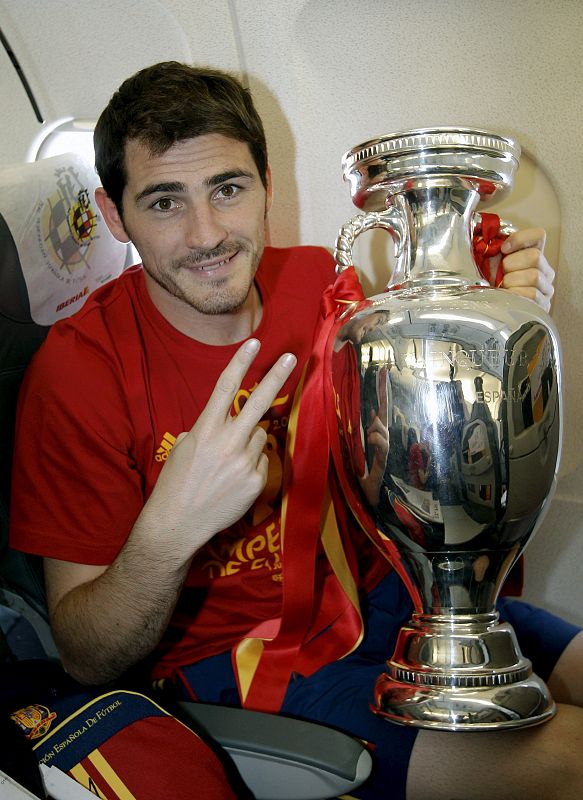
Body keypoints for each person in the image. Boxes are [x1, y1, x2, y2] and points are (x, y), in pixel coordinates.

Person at [9, 62, 582, 800]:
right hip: (243, 661)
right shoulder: (78, 374)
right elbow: (86, 655)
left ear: (267, 185)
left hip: (392, 599)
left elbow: (412, 449)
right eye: (163, 202)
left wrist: (489, 313)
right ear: (114, 218)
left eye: (227, 188)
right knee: (568, 757)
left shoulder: (318, 284)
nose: (206, 234)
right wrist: (170, 528)